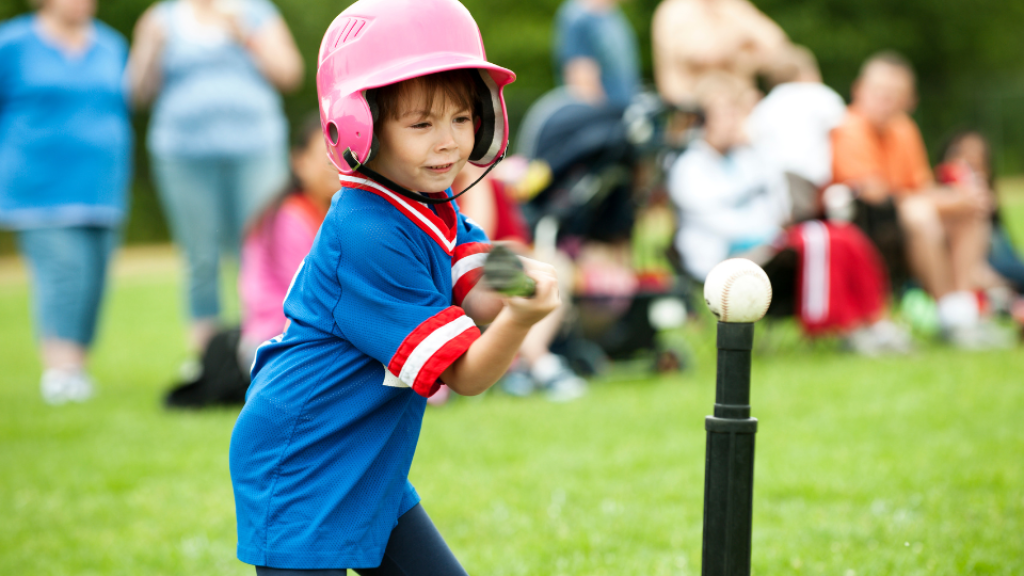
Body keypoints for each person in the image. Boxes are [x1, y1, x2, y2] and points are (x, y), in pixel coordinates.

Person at [229, 1, 559, 573]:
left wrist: (522, 277)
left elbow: (473, 275)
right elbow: (466, 374)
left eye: (461, 118)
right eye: (421, 124)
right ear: (360, 126)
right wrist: (521, 320)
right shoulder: (367, 229)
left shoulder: (430, 203)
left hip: (368, 458)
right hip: (303, 462)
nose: (448, 142)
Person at [669, 73, 907, 352]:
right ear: (702, 120)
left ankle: (874, 322)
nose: (735, 121)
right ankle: (847, 328)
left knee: (843, 237)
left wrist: (757, 148)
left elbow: (779, 204)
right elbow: (714, 221)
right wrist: (768, 234)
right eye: (725, 114)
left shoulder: (751, 157)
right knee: (820, 240)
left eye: (736, 113)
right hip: (723, 256)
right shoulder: (689, 167)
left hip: (767, 244)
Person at [127, 0, 303, 353]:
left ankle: (267, 345)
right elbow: (136, 94)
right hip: (183, 153)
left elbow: (291, 74)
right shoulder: (160, 19)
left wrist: (247, 37)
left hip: (256, 147)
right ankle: (207, 358)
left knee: (259, 249)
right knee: (200, 256)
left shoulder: (256, 13)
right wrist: (150, 50)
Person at [0, 0, 132, 404]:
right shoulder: (13, 43)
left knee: (93, 278)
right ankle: (59, 370)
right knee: (64, 272)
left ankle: (75, 368)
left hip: (101, 186)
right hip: (38, 187)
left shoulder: (111, 45)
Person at [831, 52, 1011, 348]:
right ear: (858, 90)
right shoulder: (849, 129)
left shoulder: (903, 129)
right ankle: (949, 315)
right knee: (920, 213)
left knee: (970, 207)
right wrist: (943, 201)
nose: (885, 101)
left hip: (907, 223)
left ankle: (962, 312)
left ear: (908, 100)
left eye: (894, 95)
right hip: (868, 227)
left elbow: (922, 187)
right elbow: (878, 197)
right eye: (878, 92)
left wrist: (961, 199)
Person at [453, 163, 587, 402]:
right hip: (462, 280)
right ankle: (539, 363)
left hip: (495, 272)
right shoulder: (424, 191)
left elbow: (513, 244)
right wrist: (476, 184)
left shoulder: (494, 185)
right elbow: (466, 254)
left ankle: (529, 362)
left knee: (547, 269)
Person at [237, 115, 338, 369]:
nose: (337, 166)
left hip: (312, 334)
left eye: (344, 156)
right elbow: (313, 296)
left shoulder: (331, 214)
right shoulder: (289, 217)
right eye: (327, 158)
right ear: (300, 162)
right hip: (274, 342)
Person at [747, 45, 846, 222]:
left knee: (786, 223)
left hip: (771, 175)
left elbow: (750, 135)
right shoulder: (818, 94)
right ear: (807, 72)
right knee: (806, 224)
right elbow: (843, 126)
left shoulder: (766, 104)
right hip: (806, 173)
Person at [652, 0, 788, 107]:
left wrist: (743, 55)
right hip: (692, 113)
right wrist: (740, 43)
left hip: (741, 110)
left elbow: (775, 44)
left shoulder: (734, 7)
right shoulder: (674, 10)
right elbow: (704, 56)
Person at [554, 0, 640, 108]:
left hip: (623, 114)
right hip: (608, 118)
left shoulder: (612, 13)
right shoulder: (579, 17)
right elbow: (584, 89)